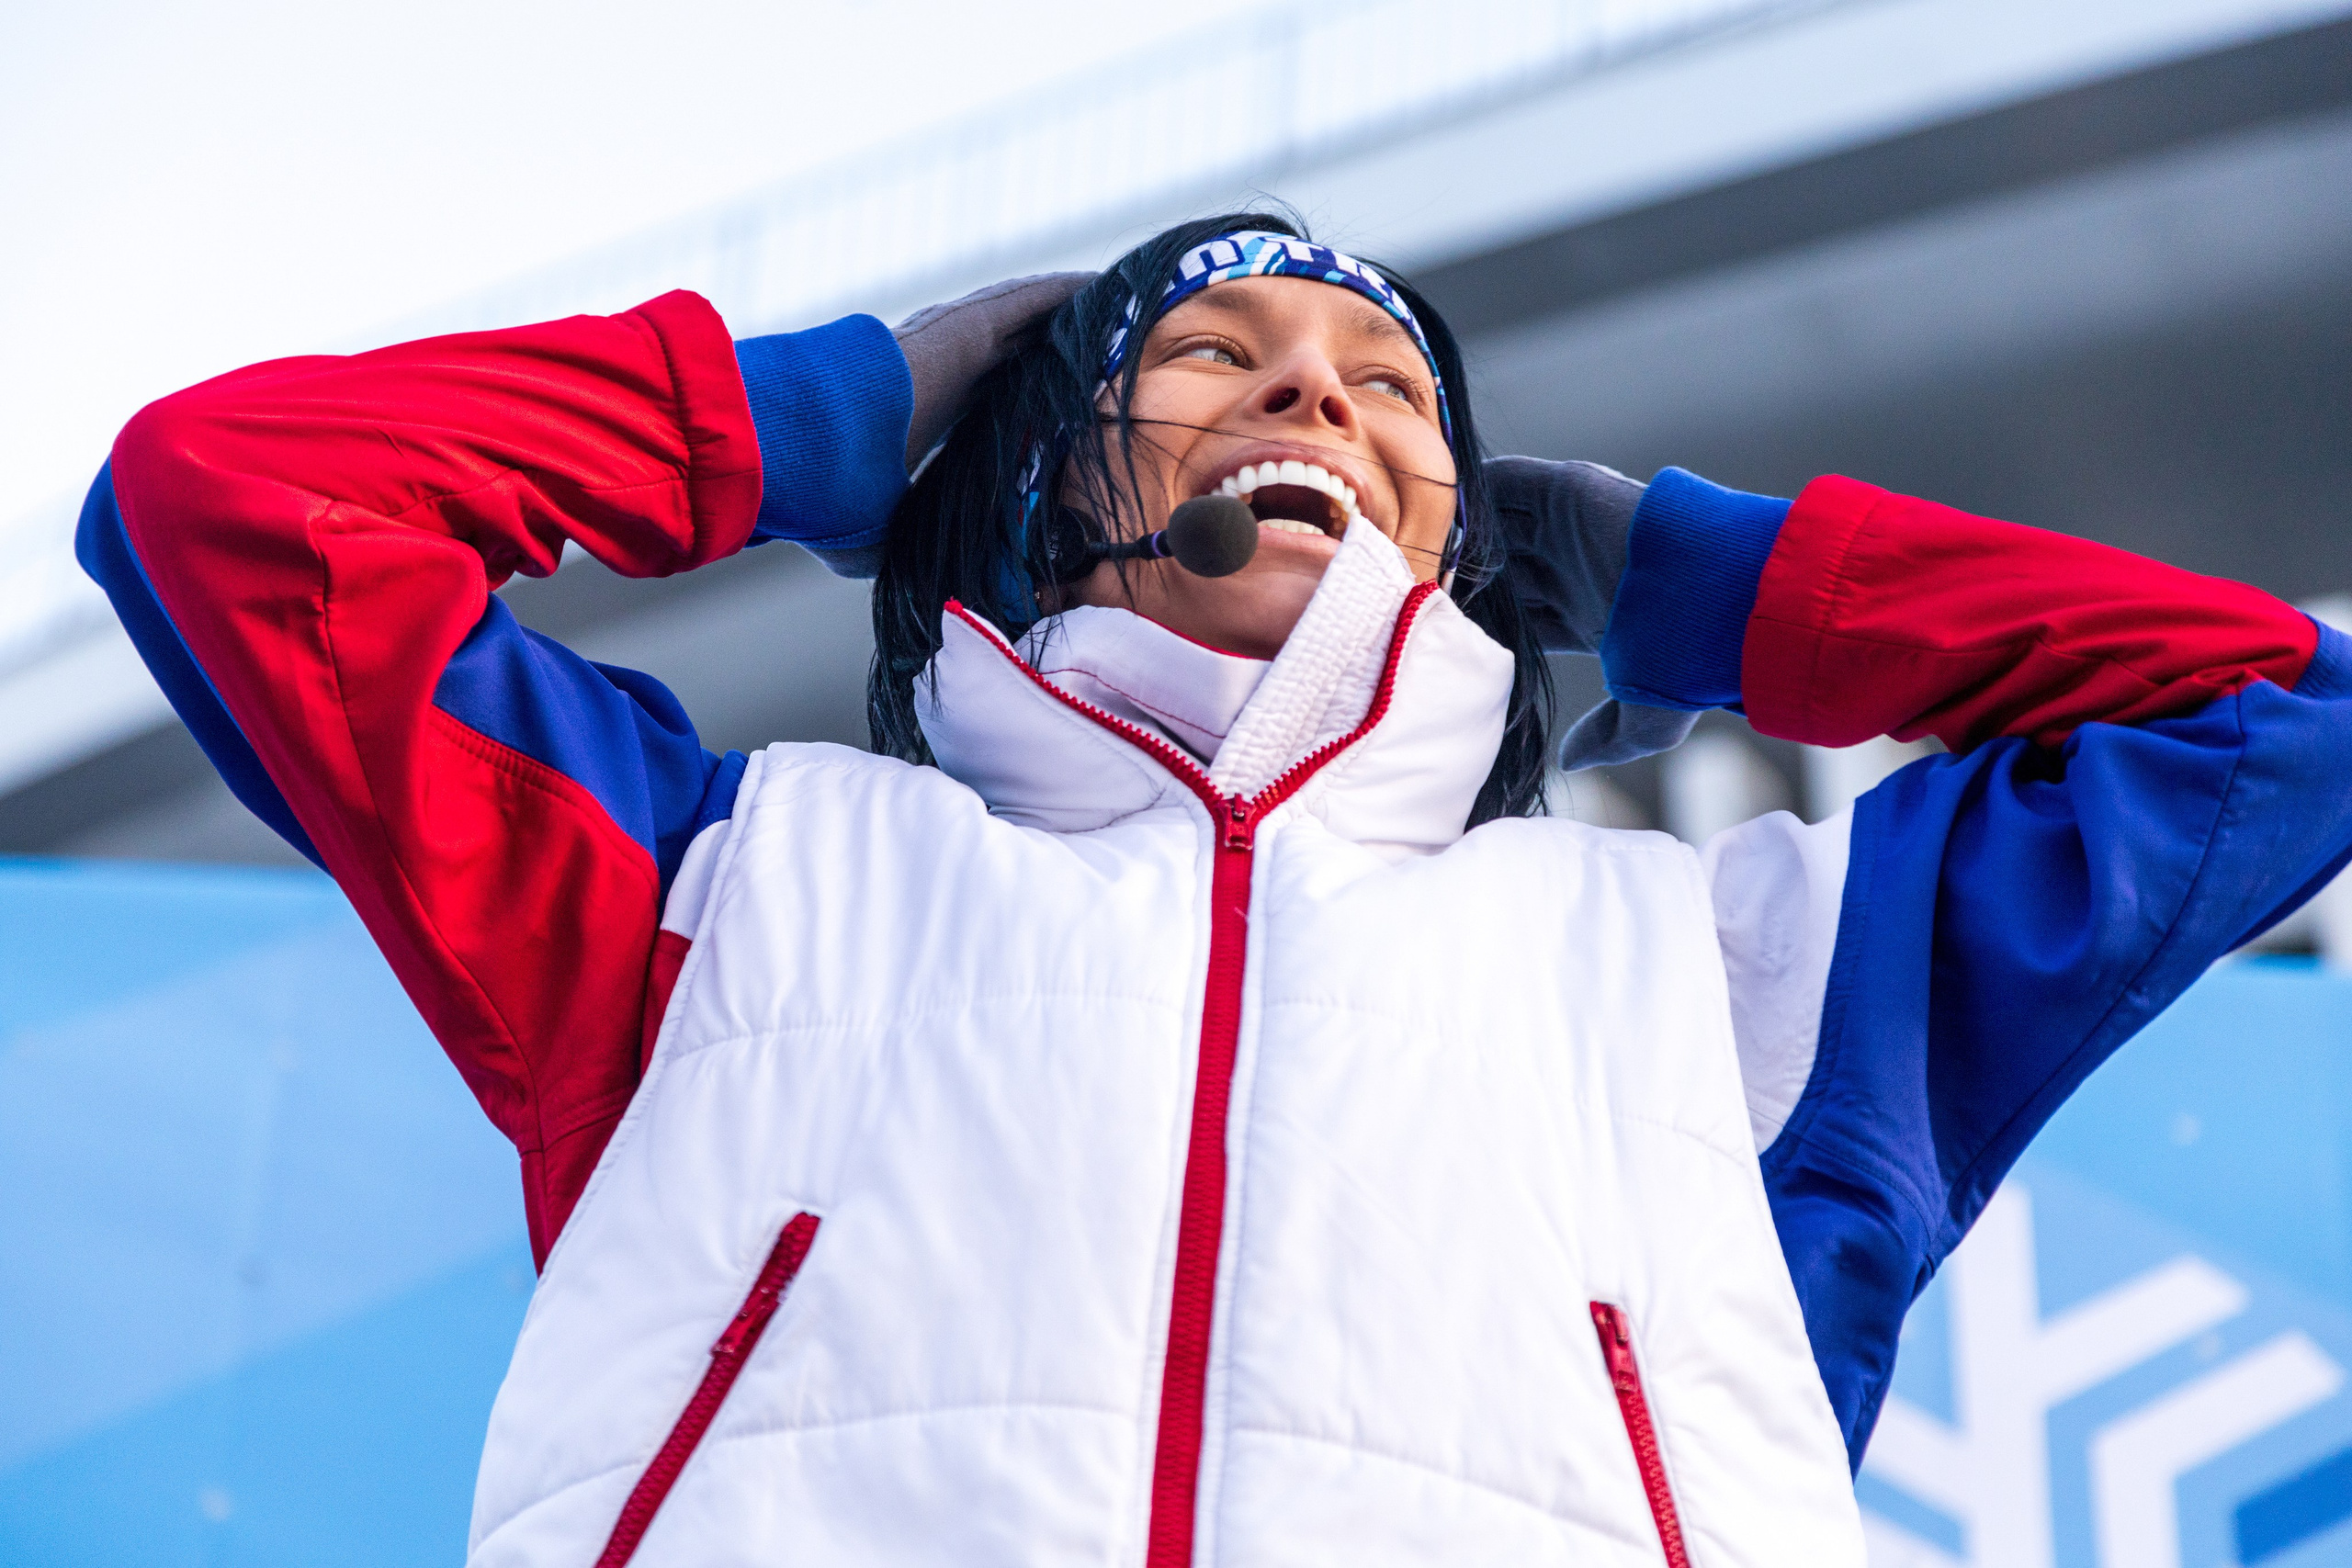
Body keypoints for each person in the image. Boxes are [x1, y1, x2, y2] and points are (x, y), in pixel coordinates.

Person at [80, 211, 2352, 1565]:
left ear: (1463, 528)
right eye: (1205, 354)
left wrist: (1689, 577)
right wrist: (821, 412)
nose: (1310, 385)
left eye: (1388, 387)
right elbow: (234, 506)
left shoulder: (1733, 972)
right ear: (1049, 473)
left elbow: (2281, 720)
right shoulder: (731, 895)